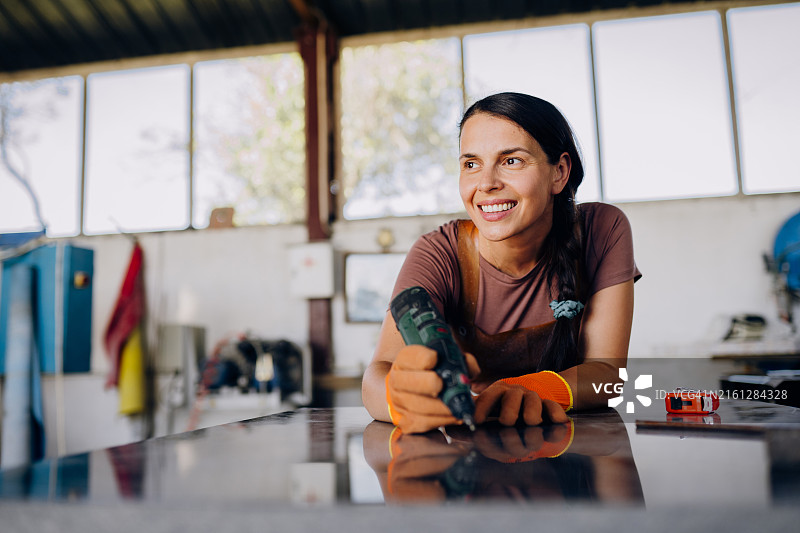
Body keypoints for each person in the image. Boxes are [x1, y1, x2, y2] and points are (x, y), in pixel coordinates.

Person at [362, 92, 642, 434]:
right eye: (471, 164)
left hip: (569, 453)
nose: (486, 183)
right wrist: (399, 397)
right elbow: (377, 375)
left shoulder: (603, 229)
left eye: (511, 161)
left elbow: (608, 375)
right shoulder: (438, 253)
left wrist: (530, 390)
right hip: (467, 453)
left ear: (559, 172)